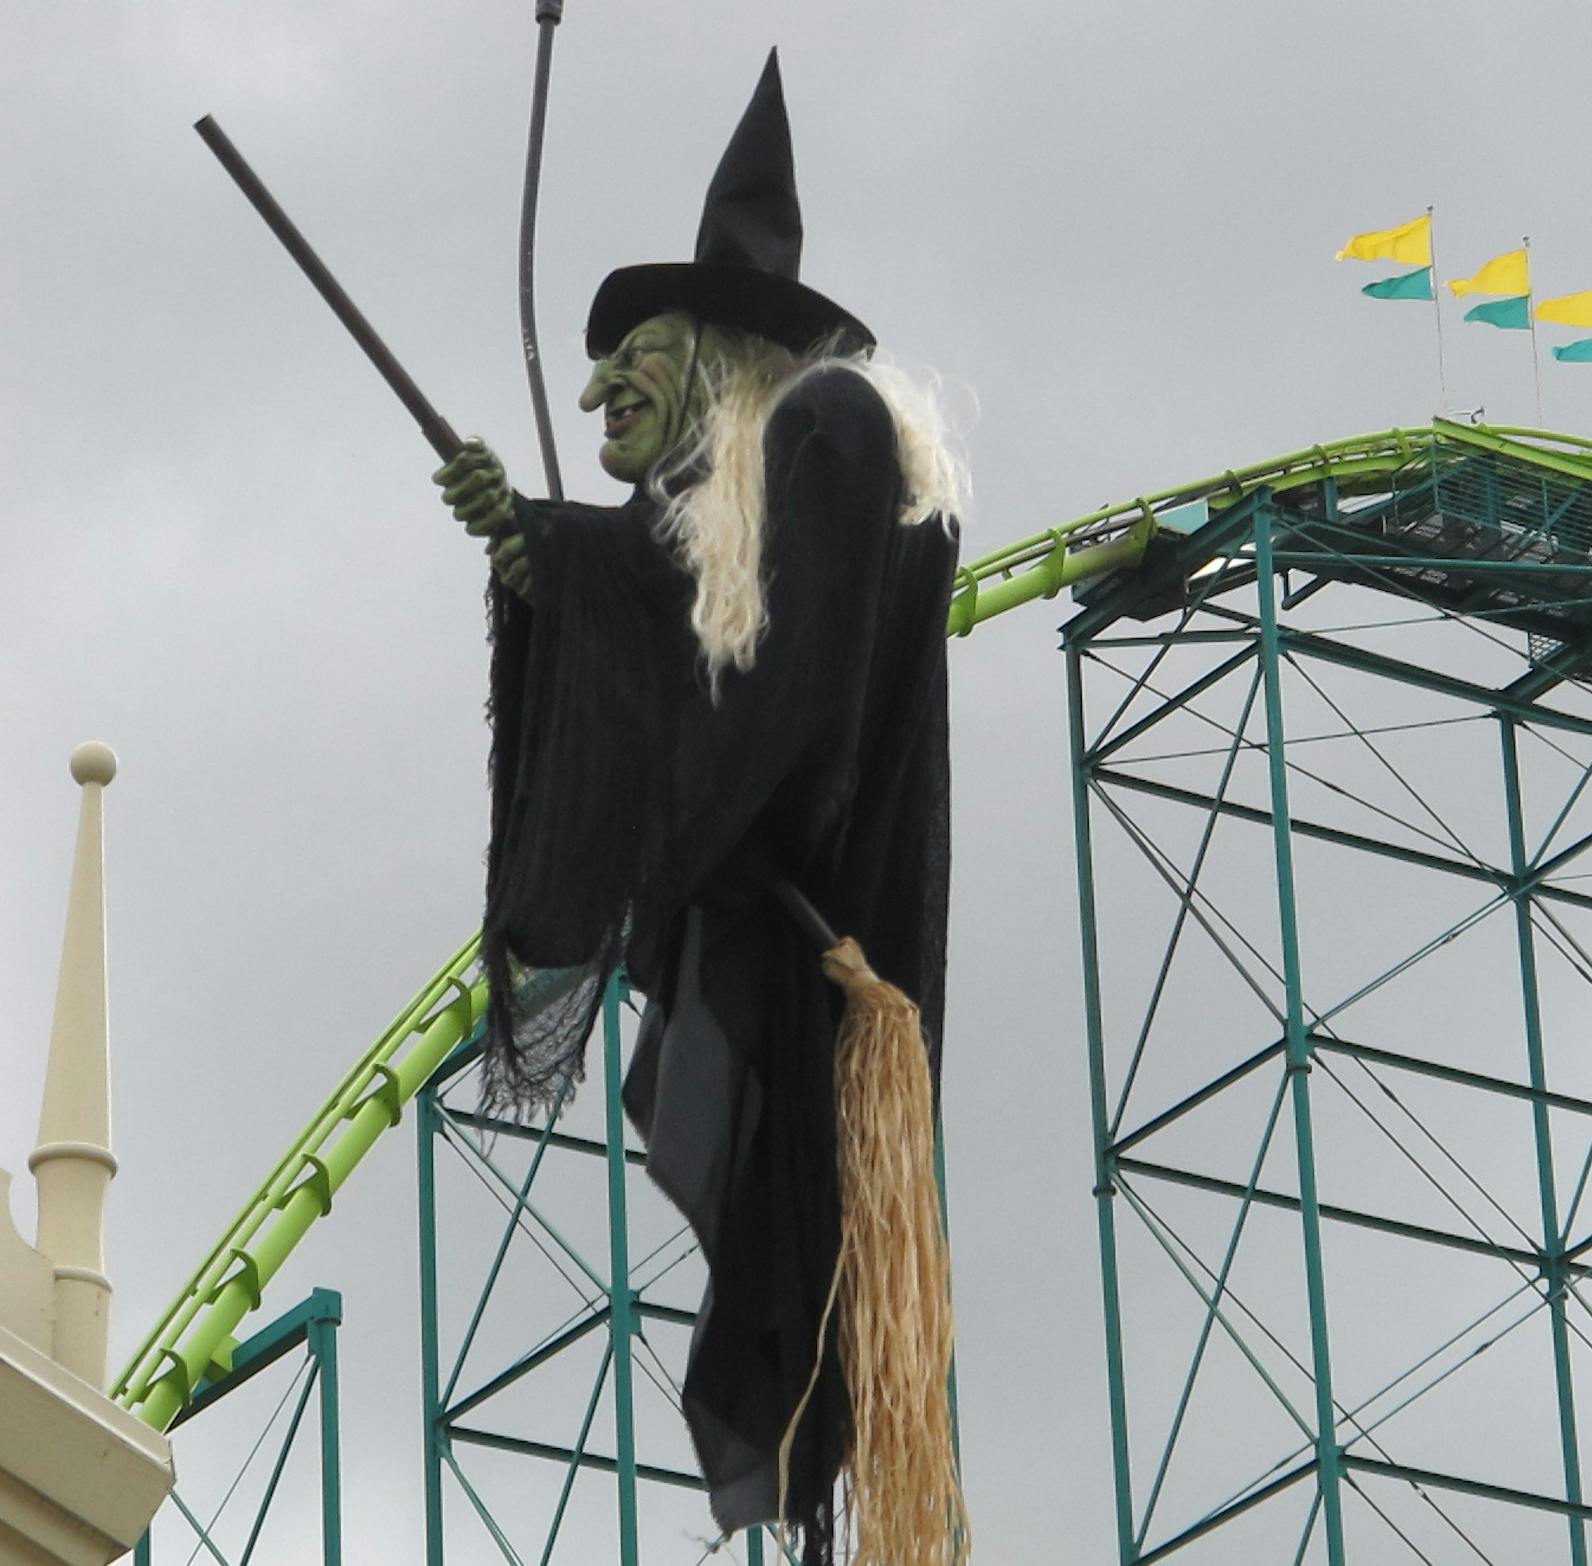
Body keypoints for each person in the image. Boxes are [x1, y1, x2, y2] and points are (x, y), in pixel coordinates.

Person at [431, 50, 964, 1566]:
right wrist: (544, 556)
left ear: (724, 359)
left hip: (828, 981)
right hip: (784, 968)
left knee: (817, 1350)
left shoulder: (833, 435)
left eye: (636, 355)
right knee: (791, 1355)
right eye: (595, 368)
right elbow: (679, 617)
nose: (600, 387)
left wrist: (561, 557)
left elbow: (769, 690)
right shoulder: (731, 505)